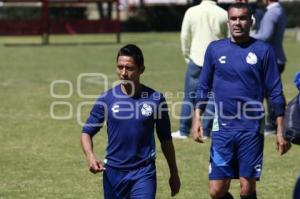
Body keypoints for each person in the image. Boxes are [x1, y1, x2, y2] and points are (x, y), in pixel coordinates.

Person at [192, 3, 291, 199]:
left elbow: (275, 92)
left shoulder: (263, 50)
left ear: (251, 21)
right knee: (216, 191)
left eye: (242, 18)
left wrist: (281, 130)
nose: (238, 23)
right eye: (234, 18)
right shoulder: (214, 49)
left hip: (251, 128)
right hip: (222, 129)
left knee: (247, 188)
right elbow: (203, 86)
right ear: (228, 21)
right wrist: (197, 119)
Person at [80, 44, 180, 199]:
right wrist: (90, 157)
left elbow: (165, 139)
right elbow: (86, 133)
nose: (123, 72)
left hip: (143, 173)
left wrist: (174, 173)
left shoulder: (156, 99)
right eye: (120, 67)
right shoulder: (107, 98)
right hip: (113, 173)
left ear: (141, 70)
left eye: (129, 68)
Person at [172, 0, 228, 139]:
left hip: (196, 58)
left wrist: (187, 55)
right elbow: (228, 38)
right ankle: (206, 131)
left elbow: (184, 36)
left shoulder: (191, 11)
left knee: (189, 96)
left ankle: (184, 130)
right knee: (213, 97)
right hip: (217, 59)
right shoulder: (223, 13)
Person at [251, 0, 287, 135]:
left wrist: (247, 36)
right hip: (278, 56)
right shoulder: (279, 9)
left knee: (271, 93)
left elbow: (265, 36)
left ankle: (273, 124)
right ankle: (277, 122)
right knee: (273, 92)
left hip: (272, 59)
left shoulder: (272, 12)